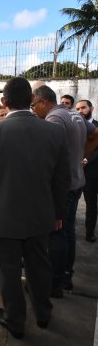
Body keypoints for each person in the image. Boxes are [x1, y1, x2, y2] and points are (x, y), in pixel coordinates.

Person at [0, 77, 70, 339]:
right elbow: (62, 180)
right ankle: (43, 314)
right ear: (33, 101)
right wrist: (59, 214)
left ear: (4, 101)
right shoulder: (54, 132)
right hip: (41, 216)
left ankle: (15, 320)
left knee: (9, 271)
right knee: (39, 266)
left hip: (1, 217)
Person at [32, 85, 96, 296]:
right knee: (67, 230)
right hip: (77, 180)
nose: (33, 110)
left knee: (56, 231)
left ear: (43, 102)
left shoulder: (54, 119)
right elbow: (95, 134)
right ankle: (66, 275)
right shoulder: (74, 115)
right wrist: (80, 158)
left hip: (63, 185)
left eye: (34, 106)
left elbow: (48, 156)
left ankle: (55, 281)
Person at [76, 99, 98, 242]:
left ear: (91, 108)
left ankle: (90, 232)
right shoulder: (75, 126)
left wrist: (87, 160)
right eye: (77, 109)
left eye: (83, 108)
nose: (80, 111)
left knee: (91, 205)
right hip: (77, 172)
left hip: (92, 173)